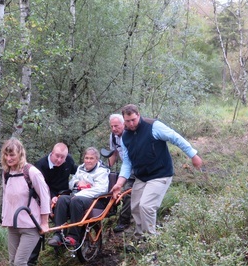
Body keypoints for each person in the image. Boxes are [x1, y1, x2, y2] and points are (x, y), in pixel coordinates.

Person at [111, 104, 202, 239]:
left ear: (139, 116)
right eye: (127, 121)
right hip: (141, 176)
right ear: (124, 120)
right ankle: (140, 238)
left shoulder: (153, 126)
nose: (131, 124)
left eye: (133, 120)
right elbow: (127, 162)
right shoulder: (125, 137)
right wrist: (119, 183)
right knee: (135, 207)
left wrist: (193, 155)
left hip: (160, 174)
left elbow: (175, 137)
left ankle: (151, 241)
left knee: (146, 206)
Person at [0, 139, 51, 266]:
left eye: (12, 155)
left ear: (20, 154)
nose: (9, 158)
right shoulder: (7, 173)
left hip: (30, 225)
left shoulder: (32, 172)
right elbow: (6, 197)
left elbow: (44, 197)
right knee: (12, 262)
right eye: (6, 155)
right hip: (13, 224)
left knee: (20, 262)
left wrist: (44, 222)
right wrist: (4, 218)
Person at [27, 142, 78, 266]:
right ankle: (32, 260)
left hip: (64, 195)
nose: (59, 160)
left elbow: (77, 172)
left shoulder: (69, 161)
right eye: (57, 156)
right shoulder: (41, 165)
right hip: (43, 195)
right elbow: (40, 187)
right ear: (52, 153)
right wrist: (50, 198)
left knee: (63, 211)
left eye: (63, 157)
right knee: (38, 222)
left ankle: (60, 247)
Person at [48, 147, 109, 247]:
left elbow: (101, 189)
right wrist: (77, 183)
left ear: (97, 159)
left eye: (91, 158)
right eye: (86, 158)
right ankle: (59, 234)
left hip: (95, 199)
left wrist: (84, 190)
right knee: (62, 199)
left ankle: (73, 237)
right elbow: (71, 182)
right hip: (77, 196)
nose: (88, 161)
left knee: (76, 200)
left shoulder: (102, 171)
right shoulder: (81, 168)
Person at [108, 113, 134, 233]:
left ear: (123, 124)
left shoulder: (131, 135)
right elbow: (114, 153)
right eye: (112, 126)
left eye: (116, 126)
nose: (114, 129)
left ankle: (124, 222)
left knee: (127, 193)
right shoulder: (113, 137)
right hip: (126, 168)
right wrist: (106, 168)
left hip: (137, 167)